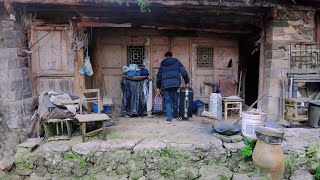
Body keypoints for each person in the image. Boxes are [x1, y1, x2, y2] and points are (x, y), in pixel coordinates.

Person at [156, 52, 189, 124]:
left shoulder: (163, 64)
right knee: (175, 99)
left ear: (166, 57)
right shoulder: (177, 62)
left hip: (165, 85)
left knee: (167, 101)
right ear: (171, 56)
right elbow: (184, 72)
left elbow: (159, 76)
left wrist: (158, 87)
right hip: (175, 84)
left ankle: (169, 118)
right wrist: (187, 82)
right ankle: (175, 115)